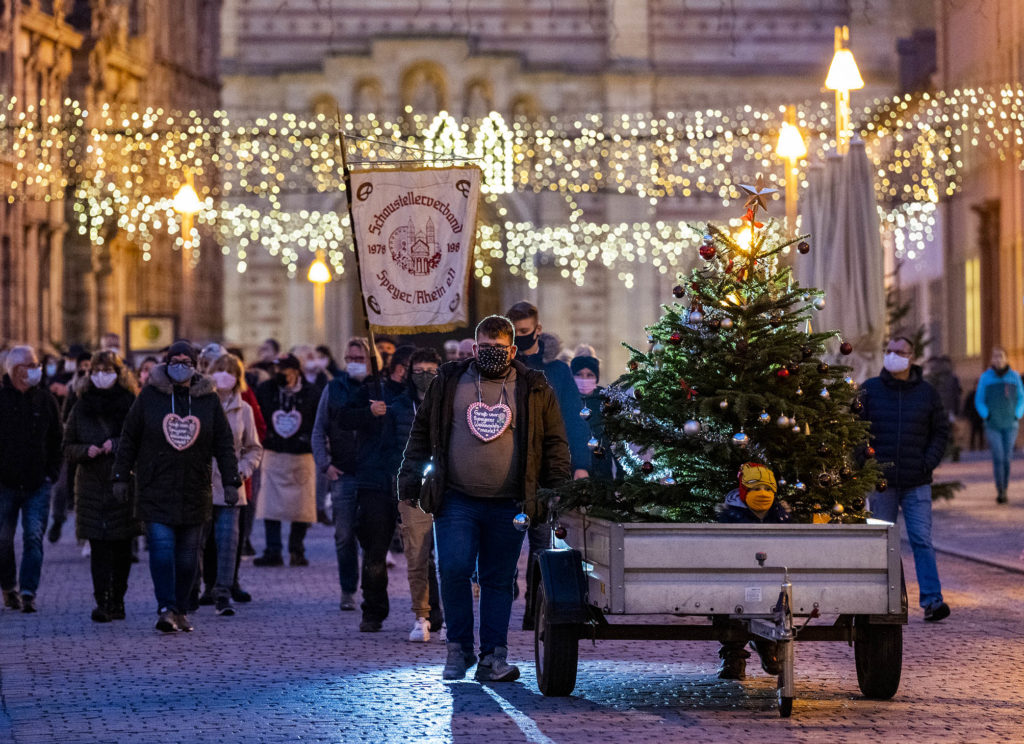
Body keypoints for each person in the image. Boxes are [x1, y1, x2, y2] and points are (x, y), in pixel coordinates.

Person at [398, 315, 571, 681]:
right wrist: (410, 479)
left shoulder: (534, 386)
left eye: (500, 348)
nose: (493, 353)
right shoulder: (449, 381)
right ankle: (458, 649)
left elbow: (554, 440)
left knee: (498, 578)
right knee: (455, 568)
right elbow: (421, 432)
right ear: (476, 348)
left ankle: (493, 656)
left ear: (512, 349)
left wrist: (555, 487)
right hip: (457, 498)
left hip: (510, 501)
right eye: (486, 347)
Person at [113, 341, 239, 632]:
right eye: (175, 360)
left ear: (195, 365)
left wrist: (231, 481)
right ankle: (166, 607)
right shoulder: (149, 397)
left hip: (194, 489)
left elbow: (223, 443)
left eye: (186, 360)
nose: (180, 365)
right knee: (161, 550)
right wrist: (120, 476)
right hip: (156, 487)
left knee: (186, 558)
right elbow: (129, 437)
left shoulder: (208, 400)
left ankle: (181, 607)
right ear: (166, 362)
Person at [506, 301, 590, 629]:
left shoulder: (557, 372)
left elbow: (573, 419)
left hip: (543, 473)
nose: (521, 339)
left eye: (525, 333)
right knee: (507, 538)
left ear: (537, 331)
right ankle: (506, 585)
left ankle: (534, 609)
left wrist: (579, 464)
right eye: (515, 334)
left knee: (542, 542)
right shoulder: (505, 367)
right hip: (509, 469)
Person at [860, 335, 951, 623]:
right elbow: (857, 429)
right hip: (882, 481)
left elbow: (940, 432)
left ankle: (933, 601)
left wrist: (927, 462)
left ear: (911, 357)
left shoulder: (927, 393)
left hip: (917, 480)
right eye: (888, 350)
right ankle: (878, 598)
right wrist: (867, 460)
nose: (892, 355)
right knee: (880, 540)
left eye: (899, 351)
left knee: (922, 539)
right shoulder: (871, 390)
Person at [62, 350, 140, 622]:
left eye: (107, 371)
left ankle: (118, 599)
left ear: (118, 374)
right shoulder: (80, 405)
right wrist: (86, 451)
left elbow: (140, 440)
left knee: (121, 546)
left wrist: (115, 444)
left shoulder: (131, 402)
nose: (101, 376)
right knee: (99, 546)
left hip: (122, 481)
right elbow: (67, 445)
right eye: (97, 371)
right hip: (91, 485)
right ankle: (103, 602)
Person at [343, 345, 416, 632]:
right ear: (400, 368)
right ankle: (372, 611)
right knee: (375, 551)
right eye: (414, 369)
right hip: (375, 480)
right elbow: (344, 417)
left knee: (423, 551)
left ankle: (430, 610)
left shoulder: (420, 398)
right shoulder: (373, 390)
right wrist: (368, 412)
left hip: (411, 481)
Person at [312, 337, 378, 612]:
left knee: (373, 536)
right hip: (344, 473)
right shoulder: (334, 388)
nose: (353, 364)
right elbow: (319, 429)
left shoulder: (379, 388)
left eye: (359, 359)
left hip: (373, 473)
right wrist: (324, 464)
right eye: (349, 359)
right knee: (343, 535)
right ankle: (348, 589)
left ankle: (372, 590)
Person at [0, 346, 63, 613]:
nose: (37, 369)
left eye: (37, 364)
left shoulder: (45, 400)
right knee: (3, 540)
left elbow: (56, 438)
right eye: (31, 365)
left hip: (38, 483)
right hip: (5, 484)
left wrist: (52, 472)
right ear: (15, 370)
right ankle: (8, 587)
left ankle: (28, 591)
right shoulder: (2, 400)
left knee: (33, 538)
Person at [200, 353, 263, 616]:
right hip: (201, 481)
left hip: (230, 481)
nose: (224, 375)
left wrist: (243, 470)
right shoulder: (200, 403)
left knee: (228, 540)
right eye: (219, 369)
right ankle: (203, 586)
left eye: (230, 371)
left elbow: (253, 447)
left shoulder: (244, 409)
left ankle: (223, 592)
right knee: (200, 541)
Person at [389, 348, 444, 641]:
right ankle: (421, 616)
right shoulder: (400, 406)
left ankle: (449, 619)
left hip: (447, 486)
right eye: (419, 372)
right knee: (417, 555)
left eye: (431, 372)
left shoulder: (450, 405)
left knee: (451, 558)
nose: (425, 377)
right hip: (412, 487)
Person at [715, 463, 789, 679]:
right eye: (755, 489)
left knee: (774, 602)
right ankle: (733, 655)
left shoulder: (779, 514)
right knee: (728, 604)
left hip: (770, 573)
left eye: (767, 489)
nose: (762, 494)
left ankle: (768, 646)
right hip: (735, 573)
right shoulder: (731, 515)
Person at [253, 354, 319, 567]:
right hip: (274, 452)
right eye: (277, 370)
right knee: (270, 505)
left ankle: (296, 549)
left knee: (301, 507)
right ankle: (273, 550)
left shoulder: (311, 393)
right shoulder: (266, 390)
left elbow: (318, 419)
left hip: (303, 454)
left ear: (295, 371)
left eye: (284, 370)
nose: (280, 374)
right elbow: (257, 416)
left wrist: (308, 438)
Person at [973, 347, 1024, 503]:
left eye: (1001, 356)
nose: (998, 359)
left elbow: (1021, 398)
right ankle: (1000, 490)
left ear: (1006, 359)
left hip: (1010, 424)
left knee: (1007, 458)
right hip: (993, 424)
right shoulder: (985, 378)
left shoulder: (1014, 377)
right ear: (991, 360)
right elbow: (979, 400)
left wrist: (1017, 414)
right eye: (995, 357)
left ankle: (1005, 488)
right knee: (998, 457)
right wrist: (986, 415)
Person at [571, 354, 615, 481]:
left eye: (589, 375)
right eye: (579, 374)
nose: (584, 379)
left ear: (596, 378)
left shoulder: (606, 402)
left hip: (601, 468)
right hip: (572, 469)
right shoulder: (566, 401)